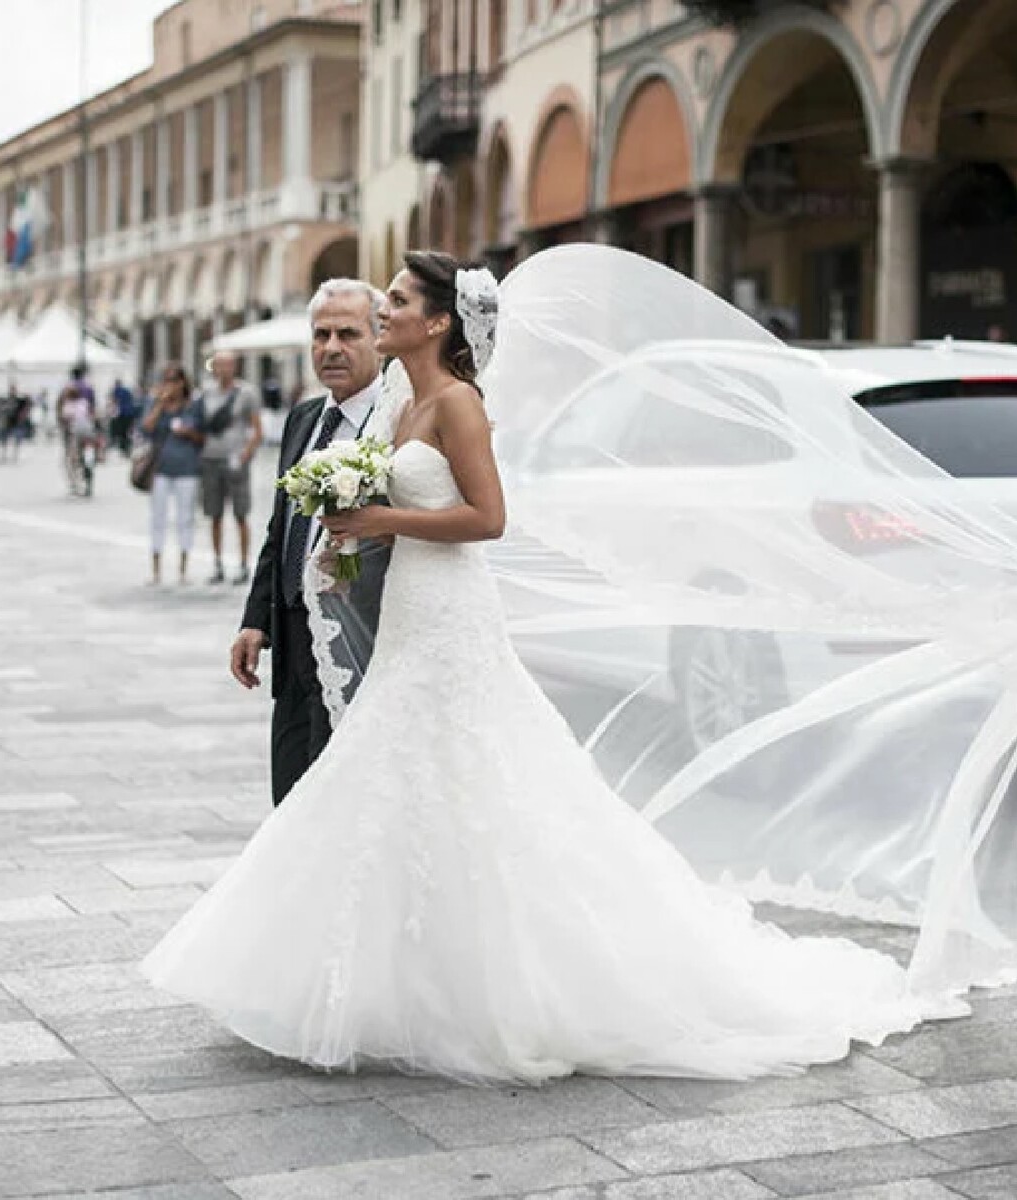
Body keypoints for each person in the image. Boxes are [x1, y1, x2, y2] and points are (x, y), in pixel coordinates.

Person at [142, 250, 957, 1083]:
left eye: (394, 300)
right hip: (413, 613)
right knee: (398, 772)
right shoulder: (401, 402)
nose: (381, 311)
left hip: (453, 609)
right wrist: (352, 539)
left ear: (436, 322)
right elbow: (401, 512)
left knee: (471, 772)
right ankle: (389, 971)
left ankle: (518, 980)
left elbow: (488, 517)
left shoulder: (457, 403)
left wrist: (380, 513)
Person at [230, 280, 390, 805]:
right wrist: (256, 619)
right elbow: (281, 530)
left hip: (357, 637)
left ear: (378, 338)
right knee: (290, 795)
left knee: (337, 801)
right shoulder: (304, 418)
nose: (332, 348)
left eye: (348, 333)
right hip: (294, 640)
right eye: (321, 335)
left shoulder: (393, 422)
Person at [199, 352, 264, 585]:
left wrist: (245, 454)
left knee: (240, 513)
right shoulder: (206, 393)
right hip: (210, 458)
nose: (223, 369)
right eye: (219, 365)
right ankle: (217, 563)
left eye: (227, 365)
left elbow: (257, 429)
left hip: (236, 460)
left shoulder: (246, 393)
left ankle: (244, 564)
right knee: (214, 513)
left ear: (234, 367)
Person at [140, 365, 204, 586]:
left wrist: (187, 432)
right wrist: (159, 404)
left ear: (183, 383)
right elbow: (145, 428)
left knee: (185, 519)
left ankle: (183, 569)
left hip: (187, 469)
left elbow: (202, 437)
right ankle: (156, 570)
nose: (171, 385)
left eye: (176, 381)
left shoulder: (194, 406)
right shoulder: (155, 403)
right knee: (158, 518)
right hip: (161, 469)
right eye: (167, 380)